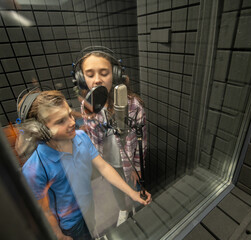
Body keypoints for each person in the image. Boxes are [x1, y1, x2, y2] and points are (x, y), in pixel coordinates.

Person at [18, 90, 151, 240]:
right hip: (70, 224)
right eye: (60, 121)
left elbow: (104, 167)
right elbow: (43, 210)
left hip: (89, 208)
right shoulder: (34, 169)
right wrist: (58, 235)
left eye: (70, 114)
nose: (72, 122)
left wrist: (132, 192)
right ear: (40, 131)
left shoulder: (81, 137)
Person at [76, 47, 148, 227]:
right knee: (116, 189)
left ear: (115, 75)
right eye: (90, 74)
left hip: (129, 161)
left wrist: (137, 167)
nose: (97, 79)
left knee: (135, 188)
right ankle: (123, 210)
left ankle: (137, 211)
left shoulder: (133, 105)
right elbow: (94, 139)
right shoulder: (88, 106)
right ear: (82, 78)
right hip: (108, 162)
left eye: (104, 73)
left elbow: (142, 141)